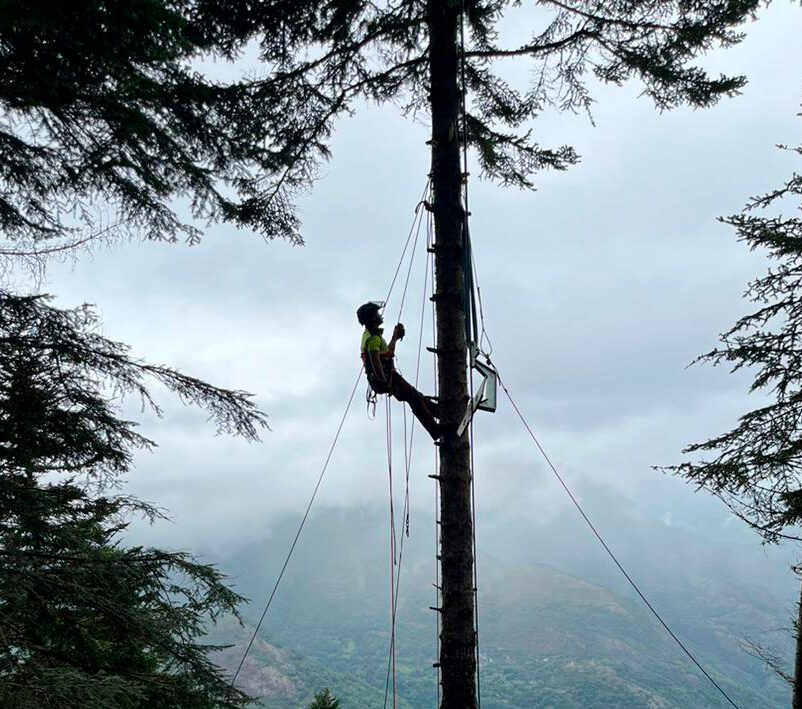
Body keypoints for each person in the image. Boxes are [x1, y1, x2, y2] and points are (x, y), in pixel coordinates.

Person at [357, 301, 443, 441]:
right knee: (414, 397)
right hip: (388, 378)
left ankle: (439, 413)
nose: (380, 315)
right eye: (377, 313)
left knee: (415, 396)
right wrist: (385, 382)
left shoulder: (371, 336)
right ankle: (435, 429)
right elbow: (376, 362)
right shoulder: (372, 339)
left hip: (387, 378)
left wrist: (395, 337)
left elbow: (387, 353)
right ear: (372, 318)